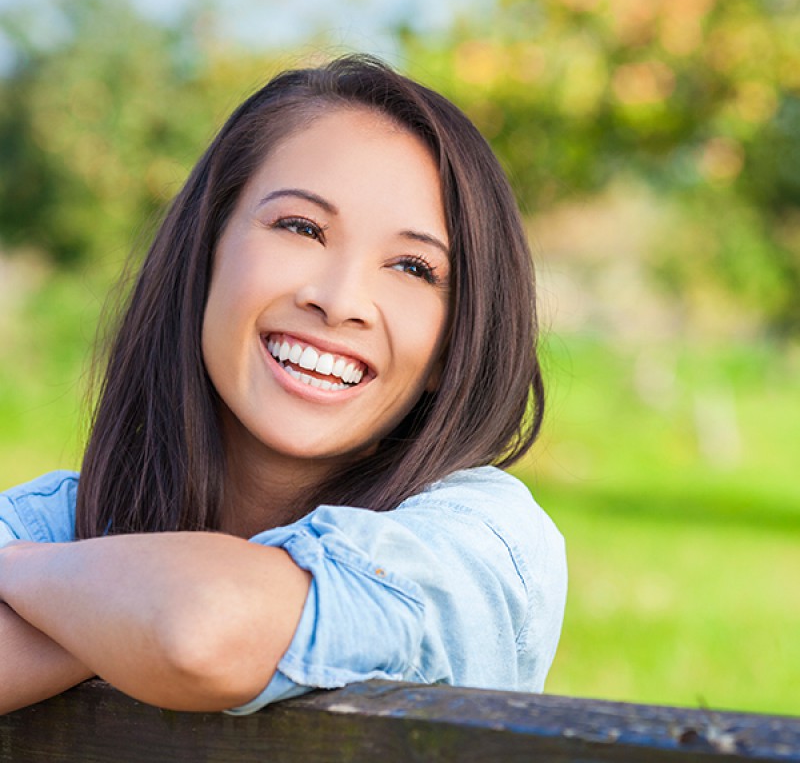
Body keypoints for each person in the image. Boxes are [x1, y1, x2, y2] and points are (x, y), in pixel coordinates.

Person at [0, 55, 566, 716]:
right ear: (206, 251)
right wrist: (118, 604)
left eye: (413, 267)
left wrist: (21, 571)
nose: (339, 300)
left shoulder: (479, 542)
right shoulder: (63, 521)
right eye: (301, 228)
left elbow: (203, 629)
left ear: (454, 341)